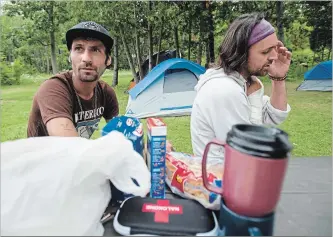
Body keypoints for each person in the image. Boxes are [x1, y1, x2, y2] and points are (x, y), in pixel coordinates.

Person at [190, 13, 292, 158]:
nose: (274, 56)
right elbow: (247, 152)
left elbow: (275, 116)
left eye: (275, 48)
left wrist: (278, 78)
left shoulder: (243, 83)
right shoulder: (225, 90)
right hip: (223, 178)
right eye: (265, 51)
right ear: (241, 52)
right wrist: (255, 98)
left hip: (235, 174)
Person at [27, 21, 119, 139]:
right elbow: (69, 145)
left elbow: (118, 135)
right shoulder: (52, 89)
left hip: (77, 156)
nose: (86, 58)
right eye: (79, 48)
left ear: (108, 60)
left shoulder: (106, 93)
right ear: (70, 56)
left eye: (95, 50)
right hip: (43, 156)